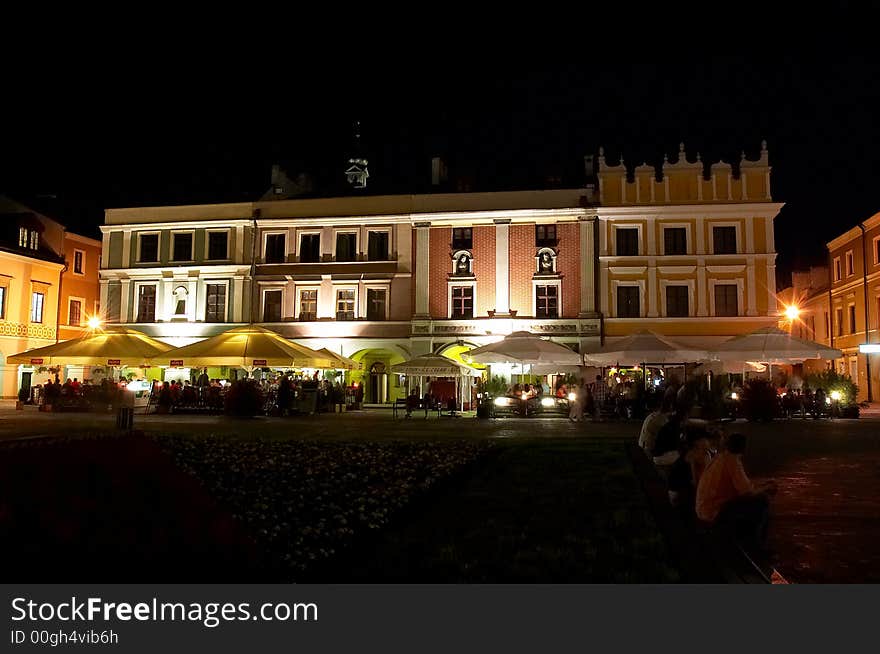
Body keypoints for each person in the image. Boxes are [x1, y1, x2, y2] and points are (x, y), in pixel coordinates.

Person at [696, 433, 777, 552]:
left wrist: (764, 483)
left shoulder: (720, 457)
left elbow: (744, 484)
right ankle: (755, 545)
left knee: (755, 500)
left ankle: (747, 539)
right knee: (762, 501)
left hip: (704, 508)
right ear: (743, 448)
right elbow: (747, 491)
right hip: (714, 512)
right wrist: (767, 488)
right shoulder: (733, 461)